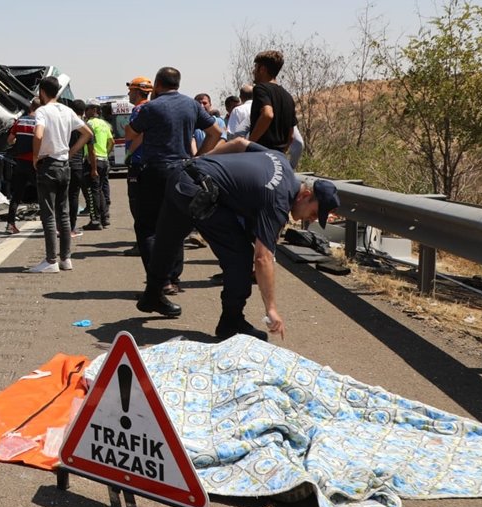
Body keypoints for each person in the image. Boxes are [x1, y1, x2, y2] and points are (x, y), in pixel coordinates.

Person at [137, 138, 340, 341]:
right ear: (304, 195)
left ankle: (152, 295)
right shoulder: (278, 200)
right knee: (240, 258)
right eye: (314, 213)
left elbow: (239, 143)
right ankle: (231, 322)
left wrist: (202, 160)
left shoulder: (282, 161)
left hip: (183, 173)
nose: (311, 219)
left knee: (168, 239)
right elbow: (263, 258)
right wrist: (271, 309)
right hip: (198, 191)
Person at [126, 67, 222, 294]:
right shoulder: (192, 105)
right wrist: (198, 158)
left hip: (154, 171)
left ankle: (158, 279)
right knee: (176, 226)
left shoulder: (151, 107)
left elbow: (130, 134)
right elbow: (215, 133)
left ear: (157, 85)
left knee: (147, 226)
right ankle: (173, 279)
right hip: (182, 171)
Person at [27, 77, 92, 273]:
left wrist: (35, 158)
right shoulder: (68, 110)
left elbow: (38, 134)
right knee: (63, 214)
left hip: (48, 164)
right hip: (65, 165)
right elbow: (87, 133)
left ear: (42, 92)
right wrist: (71, 152)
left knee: (48, 215)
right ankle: (66, 258)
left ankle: (50, 260)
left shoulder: (42, 111)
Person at [121, 76, 153, 258]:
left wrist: (128, 153)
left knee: (138, 206)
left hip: (138, 163)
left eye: (130, 90)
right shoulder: (150, 108)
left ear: (137, 91)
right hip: (148, 162)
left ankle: (142, 244)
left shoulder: (139, 110)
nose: (128, 94)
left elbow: (136, 134)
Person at [247, 50, 297, 154]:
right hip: (279, 155)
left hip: (261, 154)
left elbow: (267, 114)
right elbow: (291, 136)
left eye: (256, 67)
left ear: (262, 69)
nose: (253, 71)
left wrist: (249, 143)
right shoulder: (288, 96)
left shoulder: (260, 89)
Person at [3, 99, 38, 235]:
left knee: (16, 195)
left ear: (30, 107)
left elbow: (9, 140)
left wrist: (19, 143)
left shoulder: (20, 121)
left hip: (20, 163)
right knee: (43, 194)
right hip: (34, 163)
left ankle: (10, 225)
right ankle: (52, 225)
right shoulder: (40, 122)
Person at [66, 99, 96, 237]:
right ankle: (71, 228)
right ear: (84, 111)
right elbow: (91, 151)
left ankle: (59, 226)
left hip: (63, 164)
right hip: (77, 166)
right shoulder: (86, 127)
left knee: (60, 197)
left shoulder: (66, 124)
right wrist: (93, 168)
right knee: (73, 197)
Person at [84, 100, 114, 229]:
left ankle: (95, 220)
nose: (86, 112)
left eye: (88, 109)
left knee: (92, 191)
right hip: (104, 160)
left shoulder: (89, 124)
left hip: (92, 160)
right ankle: (104, 217)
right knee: (100, 190)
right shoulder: (104, 124)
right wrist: (105, 153)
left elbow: (89, 146)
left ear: (93, 110)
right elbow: (111, 141)